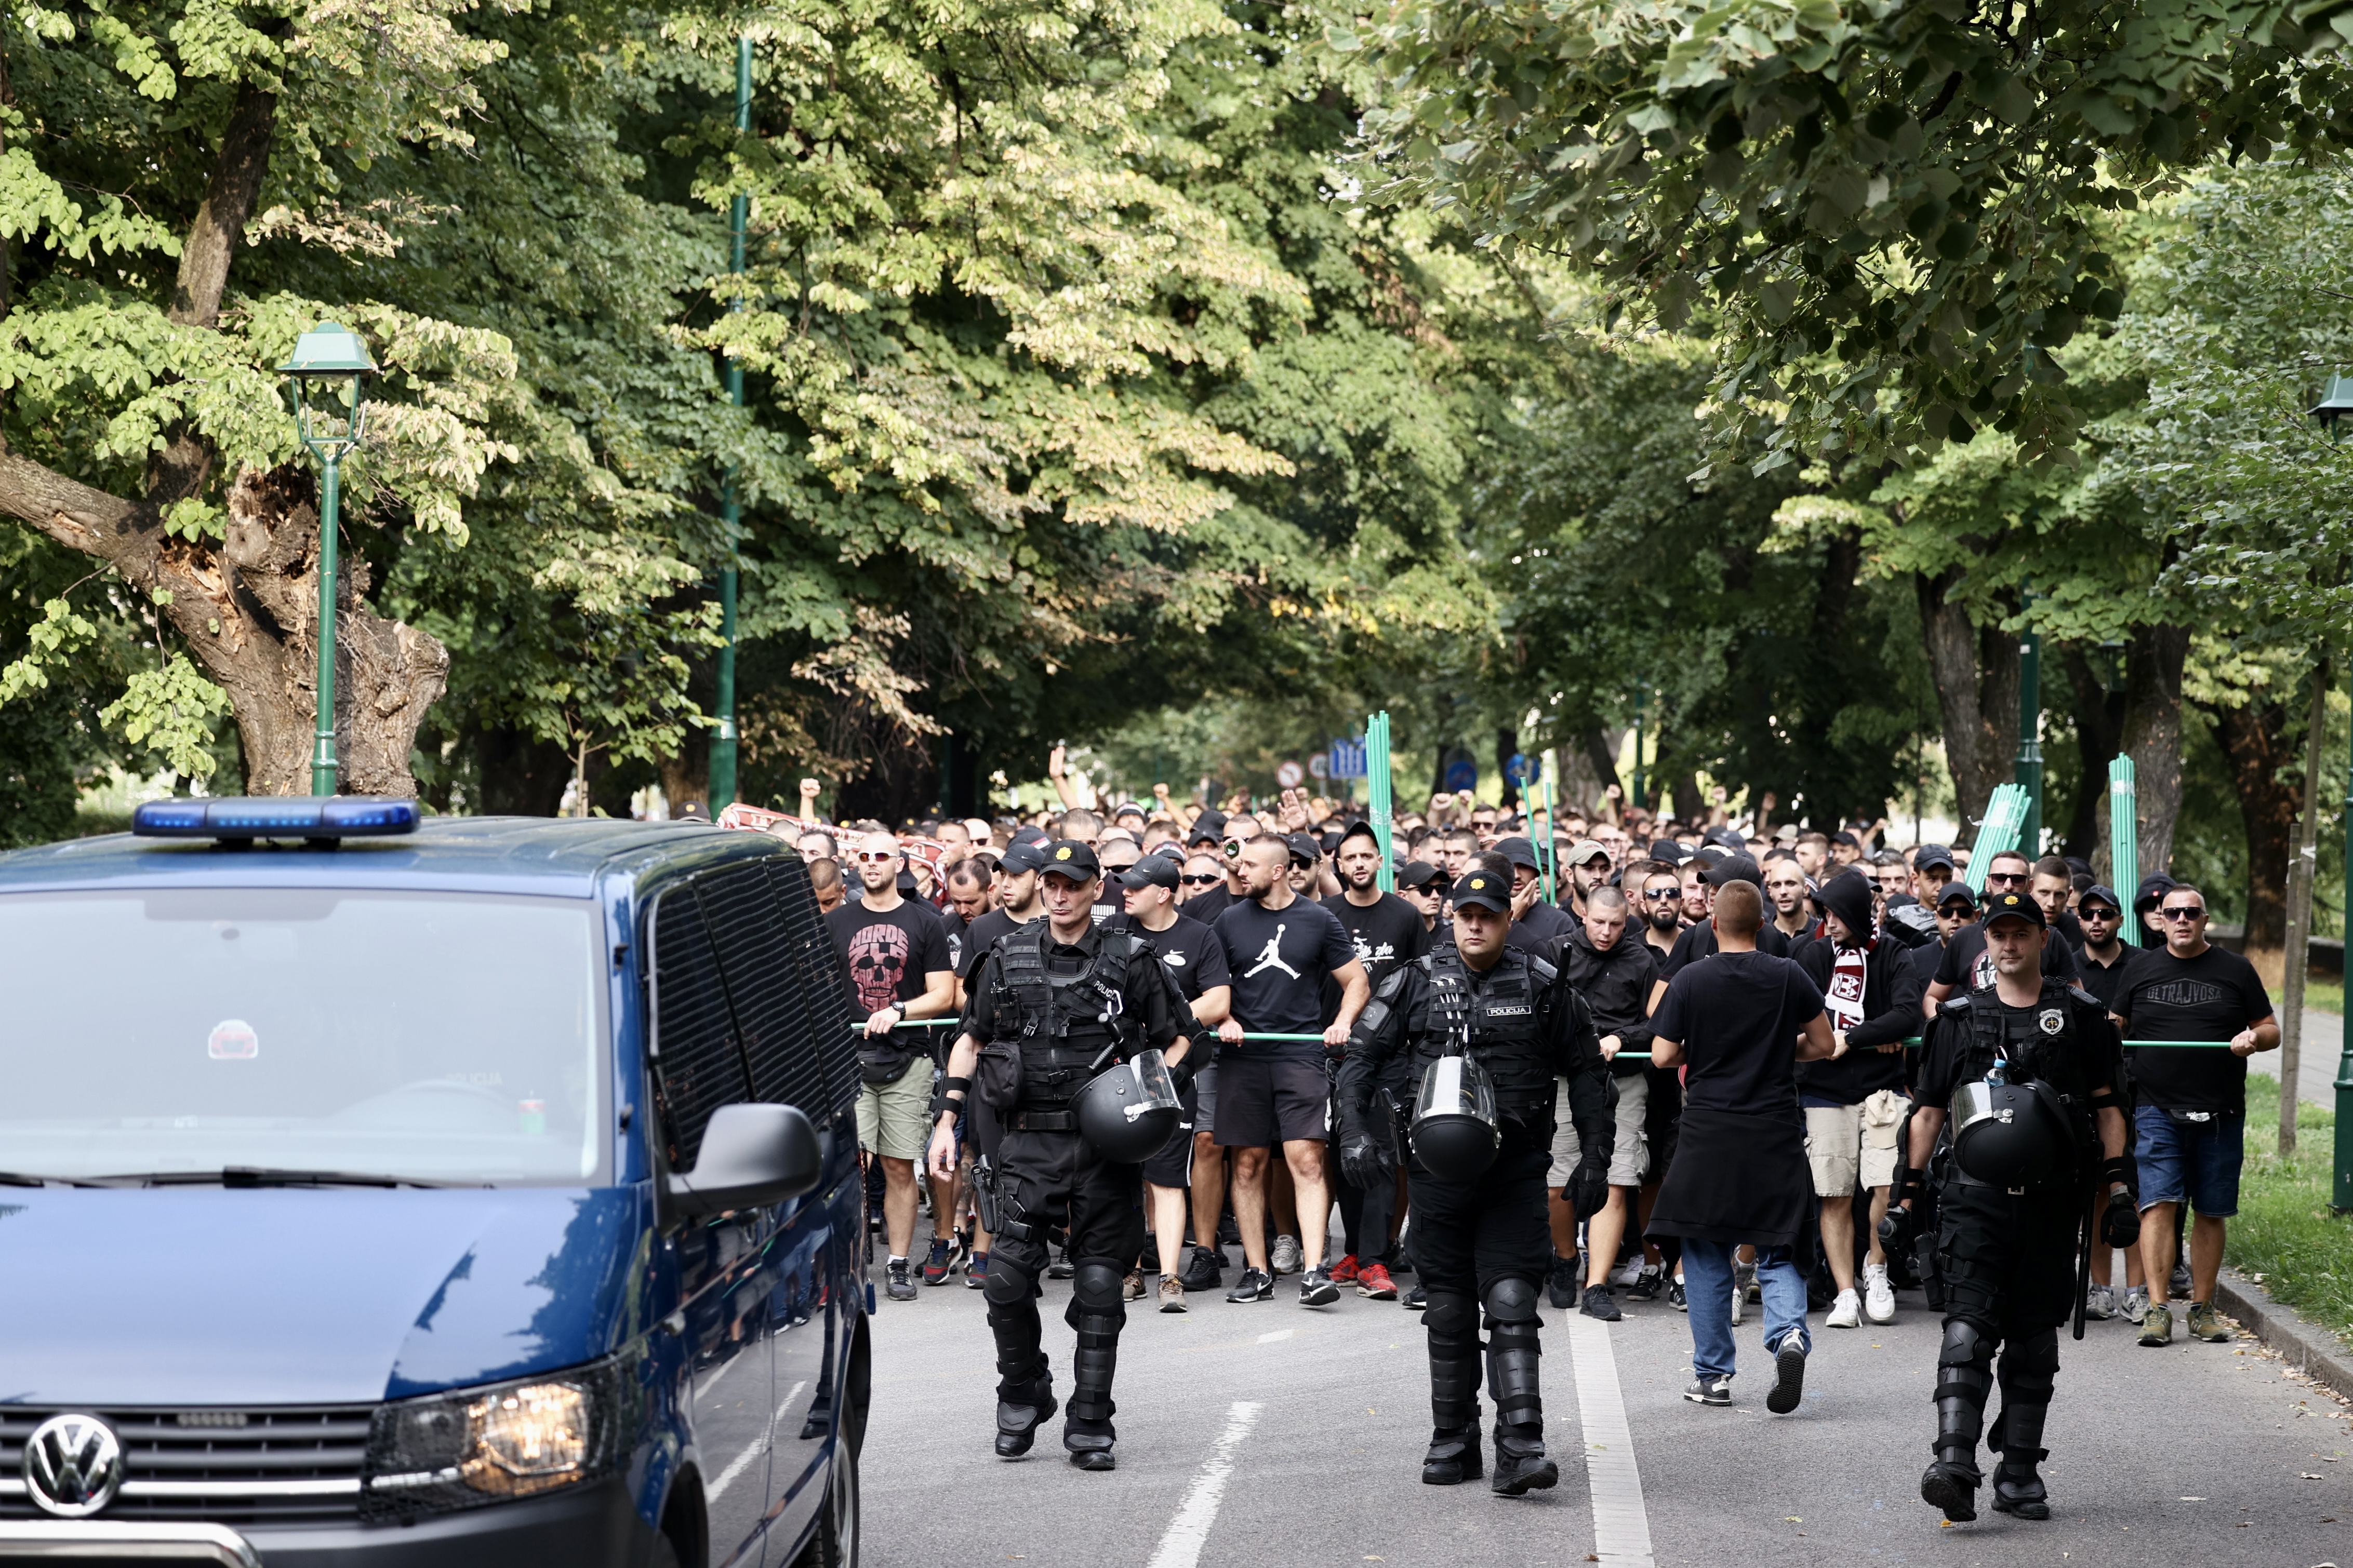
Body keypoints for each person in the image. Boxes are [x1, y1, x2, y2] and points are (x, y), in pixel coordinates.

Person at [1335, 867, 1610, 1493]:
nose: (1476, 924)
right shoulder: (1411, 981)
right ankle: (1451, 1438)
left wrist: (1595, 1154)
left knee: (1512, 1301)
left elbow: (1588, 1073)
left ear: (1508, 918)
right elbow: (1358, 1060)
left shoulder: (1543, 985)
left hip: (1515, 1171)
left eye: (1487, 913)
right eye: (1466, 914)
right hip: (1435, 1175)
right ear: (1450, 917)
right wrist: (1354, 1132)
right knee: (1449, 1307)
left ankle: (1520, 1443)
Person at [924, 841, 1197, 1472]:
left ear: (1096, 888)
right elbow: (971, 1039)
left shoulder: (1131, 959)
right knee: (1004, 1277)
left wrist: (1144, 1093)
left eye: (1073, 883)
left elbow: (1184, 1040)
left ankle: (1091, 1421)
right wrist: (946, 1120)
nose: (1059, 893)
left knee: (1101, 1286)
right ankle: (1022, 1390)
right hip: (1025, 1143)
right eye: (1050, 881)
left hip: (1104, 1148)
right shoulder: (1005, 955)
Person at [1883, 890, 2135, 1523]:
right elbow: (1929, 1110)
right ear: (1985, 939)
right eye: (1998, 933)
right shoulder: (1958, 1018)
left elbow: (2107, 1106)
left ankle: (2018, 1473)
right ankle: (1952, 1463)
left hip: (2052, 1202)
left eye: (2021, 932)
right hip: (1973, 1199)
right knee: (1966, 1330)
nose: (2009, 943)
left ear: (2042, 939)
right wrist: (1904, 1193)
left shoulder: (2079, 1015)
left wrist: (2120, 1188)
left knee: (2032, 1341)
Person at [1646, 879, 1839, 1413]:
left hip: (1707, 1132)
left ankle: (1712, 1376)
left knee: (1705, 1250)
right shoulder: (1786, 974)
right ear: (1760, 925)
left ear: (1711, 924)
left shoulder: (1689, 977)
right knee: (1778, 1245)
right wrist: (1780, 1049)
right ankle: (1788, 1336)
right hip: (1773, 1130)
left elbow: (1662, 1056)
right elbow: (1822, 1044)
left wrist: (1704, 1050)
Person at [2111, 883, 2279, 1348]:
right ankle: (2158, 1307)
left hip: (2221, 1110)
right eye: (2172, 912)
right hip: (2156, 1107)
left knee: (2211, 1209)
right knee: (2158, 1204)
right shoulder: (2140, 968)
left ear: (2205, 920)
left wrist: (2253, 1039)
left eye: (2191, 912)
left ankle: (2202, 1308)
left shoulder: (2236, 969)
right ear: (2159, 920)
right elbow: (2115, 1022)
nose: (2182, 919)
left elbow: (2270, 1029)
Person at [1209, 834, 1372, 1304]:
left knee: (1305, 1159)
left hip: (1300, 1055)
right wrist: (1226, 1019)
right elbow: (1212, 985)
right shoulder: (1227, 920)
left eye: (1251, 865)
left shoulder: (1318, 919)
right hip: (1243, 1056)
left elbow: (1356, 981)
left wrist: (1341, 1024)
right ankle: (1257, 1271)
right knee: (1246, 1164)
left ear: (1278, 871)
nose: (1241, 871)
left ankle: (1314, 1269)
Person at [828, 830, 958, 1301]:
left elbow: (944, 994)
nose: (871, 862)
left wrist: (899, 1011)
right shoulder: (835, 922)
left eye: (880, 855)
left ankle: (898, 1263)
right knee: (851, 1167)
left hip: (908, 1058)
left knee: (899, 1165)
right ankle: (846, 1261)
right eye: (863, 856)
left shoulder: (926, 923)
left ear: (899, 863)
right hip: (848, 1060)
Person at [1791, 870, 1923, 1328]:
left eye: (1833, 911)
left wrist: (1856, 1035)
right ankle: (1845, 1292)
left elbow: (1908, 1014)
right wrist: (1862, 1032)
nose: (1826, 919)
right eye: (1823, 910)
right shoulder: (1810, 954)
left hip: (1881, 1089)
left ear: (1853, 912)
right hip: (1823, 1091)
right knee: (1833, 1193)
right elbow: (1799, 1017)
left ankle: (1876, 1267)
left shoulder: (1893, 953)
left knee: (1885, 1186)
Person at [1113, 855, 1233, 1311]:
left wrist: (1167, 1023)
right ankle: (1130, 1270)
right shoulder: (1114, 936)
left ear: (1163, 893)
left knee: (1165, 1178)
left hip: (1173, 1069)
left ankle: (1169, 1277)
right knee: (1125, 1179)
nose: (1125, 892)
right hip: (1120, 1070)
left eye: (1135, 886)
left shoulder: (1200, 935)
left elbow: (1219, 999)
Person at [1322, 822, 1430, 1297]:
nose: (1361, 864)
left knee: (1384, 1155)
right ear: (1339, 864)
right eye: (1351, 857)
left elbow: (1420, 980)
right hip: (1336, 1052)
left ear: (1381, 861)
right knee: (1343, 1153)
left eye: (1368, 855)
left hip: (1390, 1055)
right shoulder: (1324, 915)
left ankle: (1374, 1258)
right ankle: (1353, 1252)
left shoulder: (1406, 917)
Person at [1547, 886, 1660, 1318]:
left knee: (1615, 1181)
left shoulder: (1640, 959)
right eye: (1598, 922)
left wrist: (1621, 1037)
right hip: (1564, 1078)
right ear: (1583, 915)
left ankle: (1596, 1284)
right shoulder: (1555, 951)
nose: (1607, 932)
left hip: (1624, 1080)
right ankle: (1564, 1258)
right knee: (1558, 1180)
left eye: (1616, 924)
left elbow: (1658, 1022)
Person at [1923, 851, 2079, 1012]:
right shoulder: (1963, 937)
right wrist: (1946, 1033)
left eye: (2017, 879)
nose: (2008, 885)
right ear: (1987, 883)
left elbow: (2077, 1000)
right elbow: (1932, 997)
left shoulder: (2052, 937)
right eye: (1999, 878)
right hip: (1977, 1033)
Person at [1763, 855, 1813, 944]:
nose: (1783, 892)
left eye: (1791, 884)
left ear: (1806, 889)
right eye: (1777, 885)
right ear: (1770, 892)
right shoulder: (1762, 938)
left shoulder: (1822, 932)